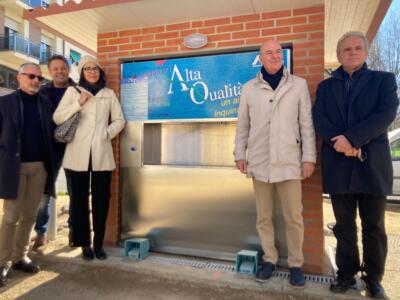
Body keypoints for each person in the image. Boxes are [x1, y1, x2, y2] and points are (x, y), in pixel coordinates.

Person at [313, 31, 399, 299]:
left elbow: (385, 114)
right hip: (339, 165)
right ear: (339, 55)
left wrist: (352, 139)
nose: (352, 52)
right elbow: (320, 118)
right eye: (346, 49)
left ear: (365, 52)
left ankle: (373, 279)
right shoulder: (326, 87)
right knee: (344, 226)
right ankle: (346, 273)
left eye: (357, 48)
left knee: (373, 226)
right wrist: (341, 143)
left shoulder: (383, 81)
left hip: (371, 164)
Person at [234, 40, 316, 287]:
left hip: (290, 162)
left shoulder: (298, 85)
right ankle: (269, 259)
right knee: (264, 217)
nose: (274, 55)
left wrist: (309, 157)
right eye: (268, 52)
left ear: (283, 56)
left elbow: (306, 124)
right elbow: (243, 125)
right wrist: (240, 154)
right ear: (260, 58)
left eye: (278, 52)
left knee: (294, 217)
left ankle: (296, 264)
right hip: (259, 163)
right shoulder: (249, 89)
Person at [53, 55, 125, 260]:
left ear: (100, 72)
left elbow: (119, 121)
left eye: (95, 69)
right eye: (87, 68)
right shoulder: (72, 91)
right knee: (79, 201)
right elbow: (58, 117)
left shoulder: (109, 94)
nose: (92, 72)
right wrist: (78, 103)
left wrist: (105, 134)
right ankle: (83, 244)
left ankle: (99, 244)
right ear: (82, 72)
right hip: (77, 154)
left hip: (102, 154)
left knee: (102, 200)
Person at [0, 63, 56, 287]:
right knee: (11, 216)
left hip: (39, 167)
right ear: (19, 78)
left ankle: (19, 257)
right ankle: (2, 262)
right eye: (31, 76)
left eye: (39, 78)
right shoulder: (5, 103)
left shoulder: (45, 103)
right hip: (14, 167)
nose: (35, 81)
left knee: (30, 215)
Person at [32, 55, 76, 253]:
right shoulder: (42, 93)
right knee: (45, 191)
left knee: (76, 191)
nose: (60, 71)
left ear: (68, 69)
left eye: (63, 68)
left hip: (75, 146)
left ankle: (74, 229)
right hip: (50, 148)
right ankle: (41, 233)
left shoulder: (78, 90)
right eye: (55, 69)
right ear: (50, 71)